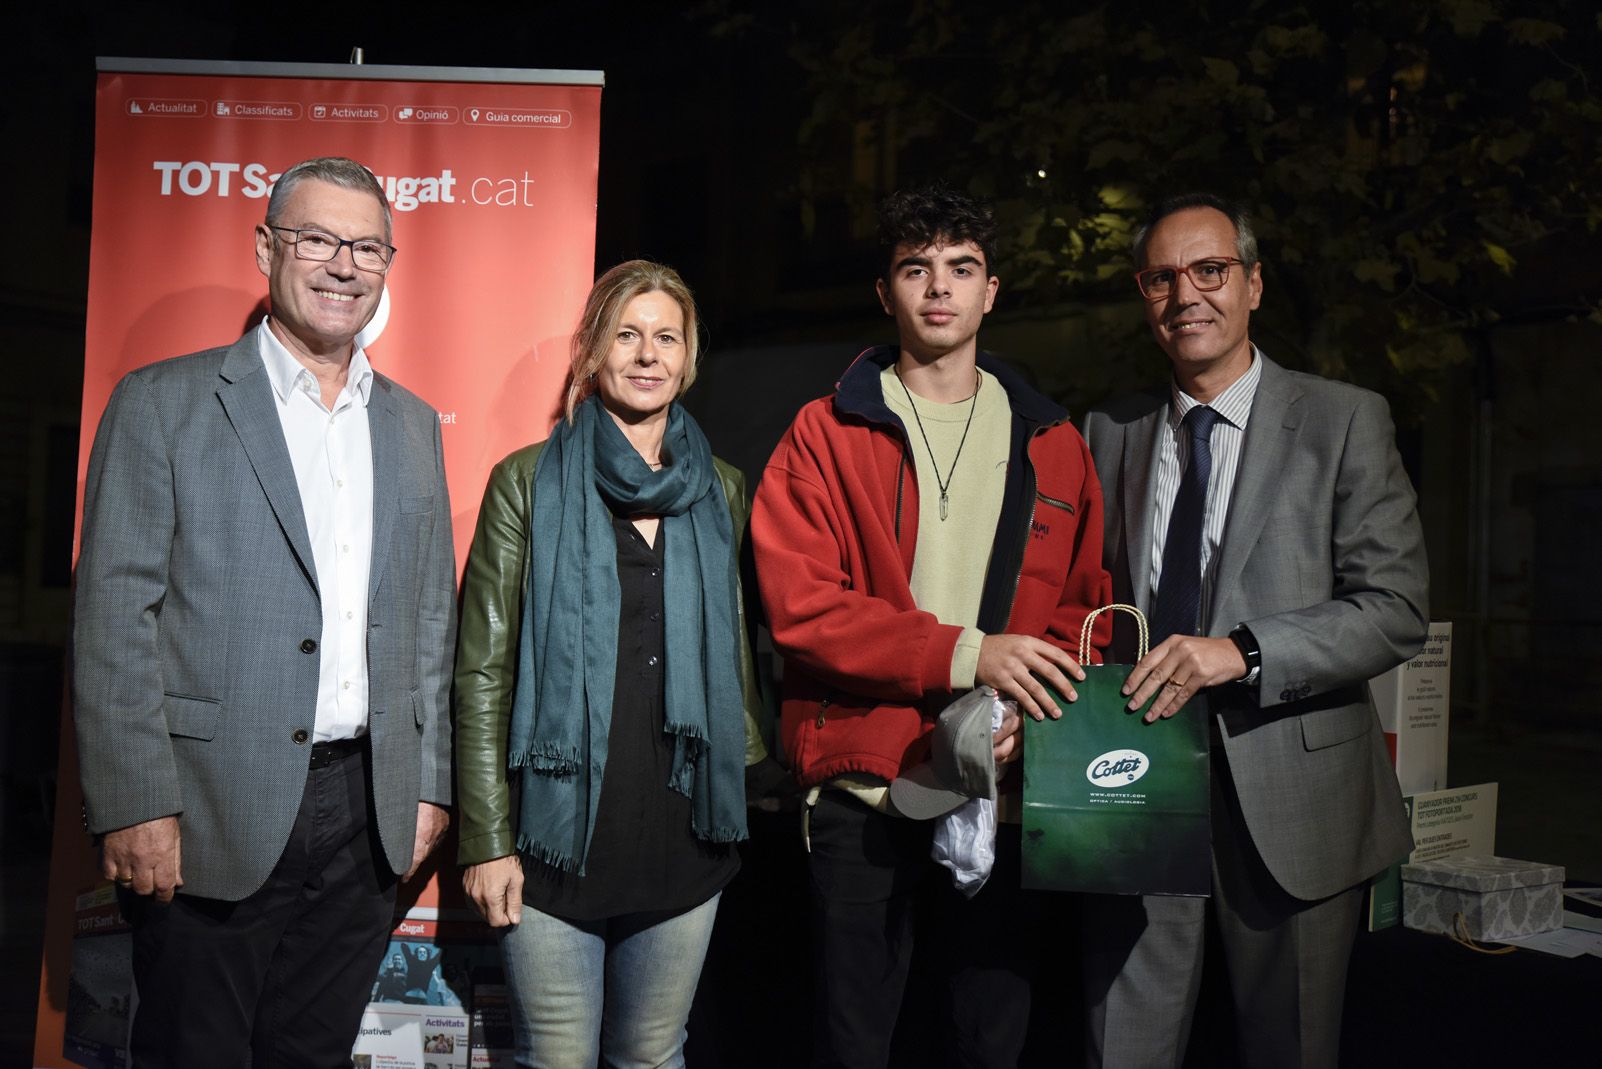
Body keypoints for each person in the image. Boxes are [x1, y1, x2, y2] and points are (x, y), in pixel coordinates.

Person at [73, 156, 456, 1065]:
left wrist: (431, 779)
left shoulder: (411, 422)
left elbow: (431, 616)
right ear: (266, 248)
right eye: (317, 239)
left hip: (366, 810)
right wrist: (134, 803)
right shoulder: (162, 403)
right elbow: (115, 616)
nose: (343, 265)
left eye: (367, 247)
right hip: (208, 810)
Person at [750, 184, 1112, 1068]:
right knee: (854, 1044)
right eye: (917, 269)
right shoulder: (824, 433)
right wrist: (970, 654)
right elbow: (802, 609)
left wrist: (1042, 706)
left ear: (992, 290)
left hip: (1003, 785)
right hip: (864, 785)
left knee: (990, 1040)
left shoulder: (1051, 437)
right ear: (887, 292)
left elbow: (1084, 606)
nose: (939, 288)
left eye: (962, 268)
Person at [1079, 193, 1429, 1068]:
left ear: (1254, 285)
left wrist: (1244, 649)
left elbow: (1394, 607)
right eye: (1162, 277)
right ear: (1142, 294)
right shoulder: (1107, 431)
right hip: (1136, 788)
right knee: (1121, 1048)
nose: (1186, 294)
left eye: (1210, 271)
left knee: (1292, 1051)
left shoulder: (1345, 420)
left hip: (1293, 803)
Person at [453, 260, 766, 1068]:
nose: (647, 354)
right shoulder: (526, 481)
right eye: (626, 334)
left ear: (689, 356)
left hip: (683, 831)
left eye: (667, 336)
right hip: (553, 837)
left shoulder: (722, 490)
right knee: (555, 1057)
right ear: (593, 349)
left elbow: (738, 654)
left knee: (655, 1055)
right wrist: (486, 838)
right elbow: (482, 671)